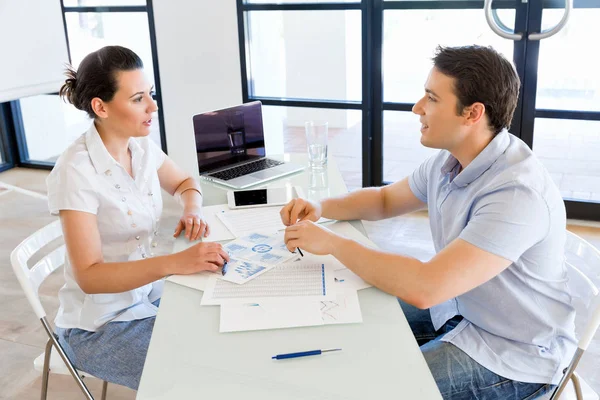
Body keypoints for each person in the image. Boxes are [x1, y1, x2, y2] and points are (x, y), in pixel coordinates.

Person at [280, 45, 576, 399]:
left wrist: (332, 243)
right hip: (462, 307)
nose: (417, 108)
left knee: (380, 389)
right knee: (356, 314)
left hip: (513, 354)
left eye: (432, 98)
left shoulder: (516, 194)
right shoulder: (450, 160)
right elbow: (385, 199)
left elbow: (425, 288)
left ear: (473, 113)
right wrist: (321, 205)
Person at [47, 45, 229, 390]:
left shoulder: (140, 145)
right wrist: (174, 262)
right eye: (137, 99)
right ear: (100, 107)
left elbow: (186, 183)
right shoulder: (75, 172)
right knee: (201, 379)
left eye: (151, 94)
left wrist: (192, 209)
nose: (153, 107)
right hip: (99, 325)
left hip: (147, 296)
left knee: (221, 338)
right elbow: (90, 277)